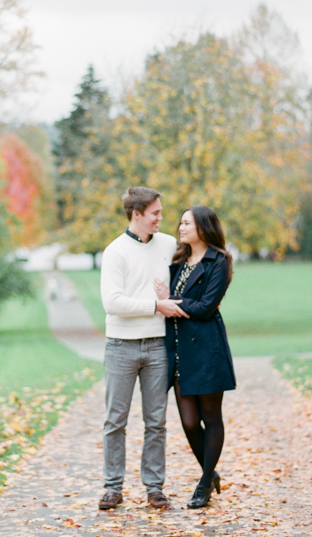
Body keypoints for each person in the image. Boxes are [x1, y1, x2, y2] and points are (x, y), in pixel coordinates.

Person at [98, 187, 188, 511]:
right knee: (115, 421)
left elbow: (192, 267)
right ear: (136, 215)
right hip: (121, 345)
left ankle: (154, 487)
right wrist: (156, 305)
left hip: (157, 345)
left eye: (160, 212)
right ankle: (112, 487)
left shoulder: (167, 244)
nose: (161, 219)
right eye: (155, 213)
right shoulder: (115, 252)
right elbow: (112, 302)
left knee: (156, 421)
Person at [154, 205, 236, 508]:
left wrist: (170, 300)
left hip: (207, 348)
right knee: (189, 422)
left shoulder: (220, 261)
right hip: (179, 350)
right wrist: (165, 300)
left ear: (203, 226)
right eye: (180, 223)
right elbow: (181, 303)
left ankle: (203, 484)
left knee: (211, 417)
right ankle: (210, 472)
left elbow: (206, 307)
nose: (180, 227)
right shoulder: (178, 260)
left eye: (187, 223)